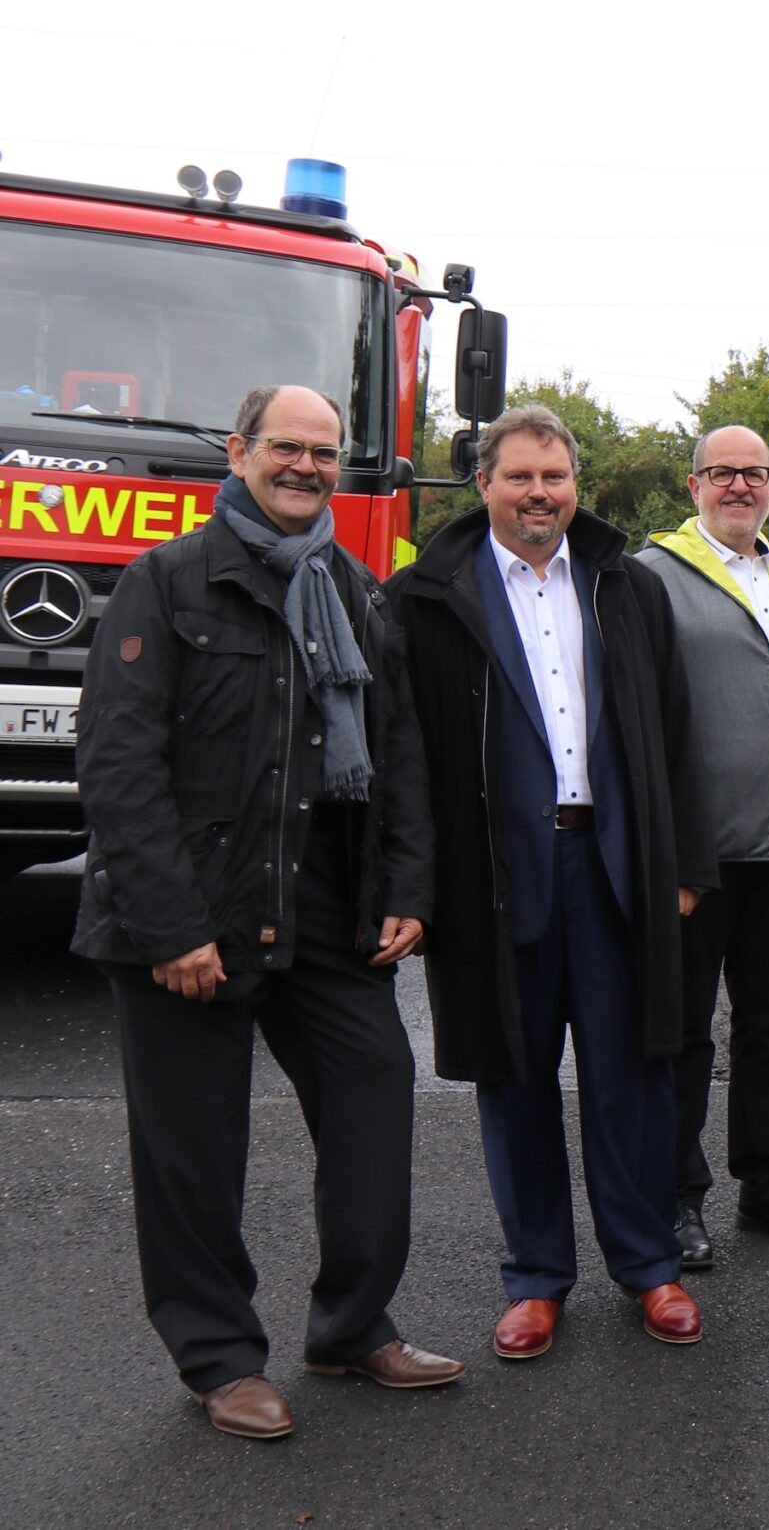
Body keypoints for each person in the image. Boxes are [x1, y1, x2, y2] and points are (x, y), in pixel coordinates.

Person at [75, 384, 458, 1439]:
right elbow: (117, 767)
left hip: (331, 914)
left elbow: (403, 761)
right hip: (194, 919)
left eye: (325, 452)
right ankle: (219, 1360)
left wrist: (409, 894)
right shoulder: (168, 581)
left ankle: (350, 1330)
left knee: (377, 1097)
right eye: (287, 448)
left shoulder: (355, 591)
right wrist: (170, 927)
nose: (307, 468)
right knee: (193, 1154)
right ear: (239, 452)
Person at [385, 403, 718, 1359]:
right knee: (515, 1079)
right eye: (521, 476)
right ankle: (536, 1279)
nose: (540, 494)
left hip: (614, 869)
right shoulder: (428, 598)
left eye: (556, 478)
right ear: (484, 483)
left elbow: (676, 735)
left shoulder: (626, 587)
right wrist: (413, 884)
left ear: (578, 487)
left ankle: (648, 1266)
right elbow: (406, 760)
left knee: (632, 1079)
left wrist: (686, 865)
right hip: (494, 876)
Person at [634, 425, 769, 1267]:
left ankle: (768, 1185)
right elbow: (635, 721)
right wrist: (662, 847)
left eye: (754, 473)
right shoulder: (653, 577)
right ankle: (678, 1198)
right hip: (694, 858)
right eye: (722, 472)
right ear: (694, 486)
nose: (739, 485)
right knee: (684, 1032)